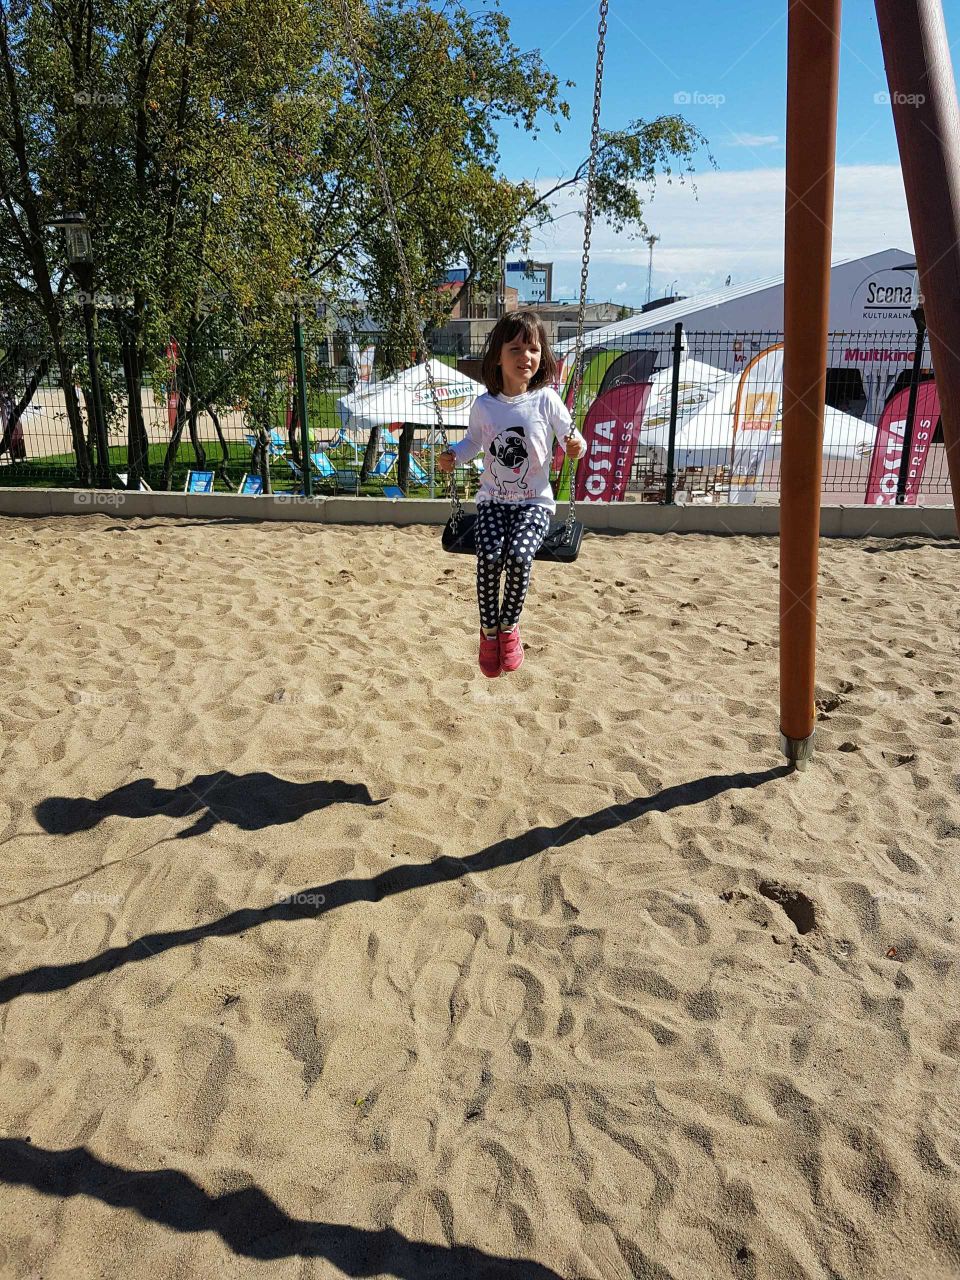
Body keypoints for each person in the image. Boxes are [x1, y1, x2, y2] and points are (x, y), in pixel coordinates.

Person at [437, 310, 586, 678]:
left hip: (535, 503)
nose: (526, 357)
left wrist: (575, 446)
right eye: (516, 349)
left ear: (542, 355)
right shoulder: (485, 405)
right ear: (498, 357)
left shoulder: (546, 399)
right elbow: (473, 442)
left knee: (519, 557)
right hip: (492, 500)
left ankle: (509, 629)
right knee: (489, 558)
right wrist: (454, 455)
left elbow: (573, 437)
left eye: (533, 349)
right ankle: (488, 633)